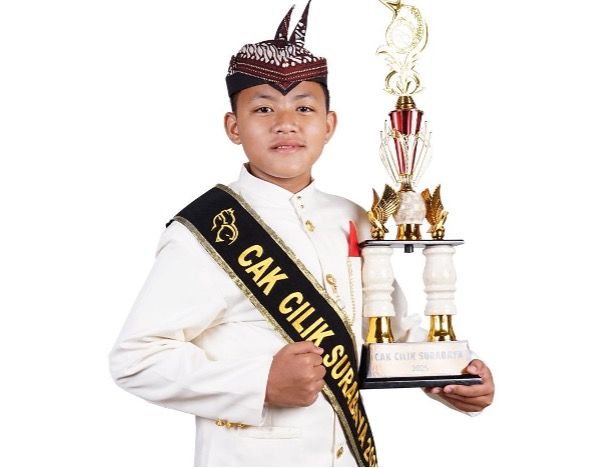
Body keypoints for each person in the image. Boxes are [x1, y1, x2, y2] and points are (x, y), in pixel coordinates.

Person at [109, 1, 494, 466]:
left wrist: (452, 371)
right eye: (263, 108)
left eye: (304, 107)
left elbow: (384, 327)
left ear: (329, 125)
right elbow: (136, 359)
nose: (286, 122)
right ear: (234, 126)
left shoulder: (356, 217)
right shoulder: (207, 230)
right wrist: (260, 382)